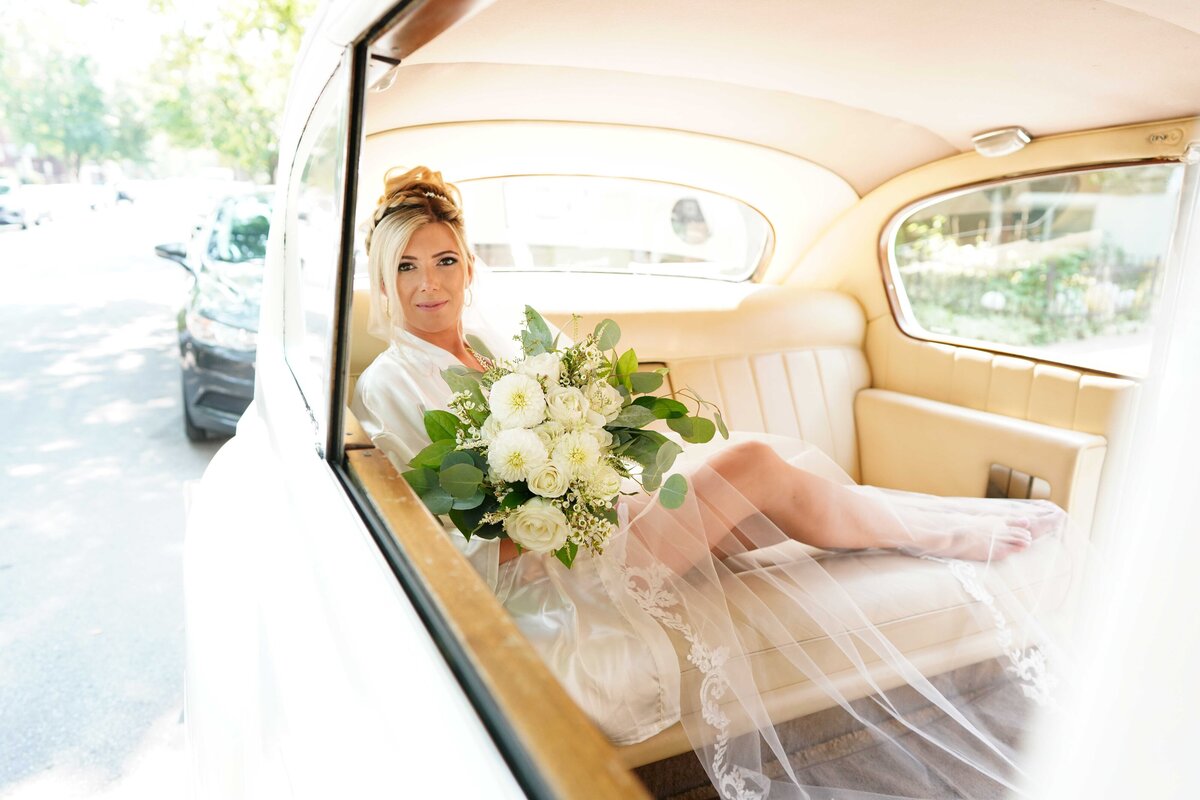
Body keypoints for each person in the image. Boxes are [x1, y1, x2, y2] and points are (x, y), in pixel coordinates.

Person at [352, 167, 1074, 799]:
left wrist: (594, 452)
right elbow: (442, 542)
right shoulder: (391, 383)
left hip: (602, 517)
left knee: (769, 491)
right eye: (407, 267)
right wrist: (555, 509)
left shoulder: (494, 344)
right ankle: (942, 534)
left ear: (470, 267)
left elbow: (584, 435)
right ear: (384, 280)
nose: (429, 284)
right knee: (755, 465)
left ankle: (923, 532)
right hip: (548, 570)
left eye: (444, 260)